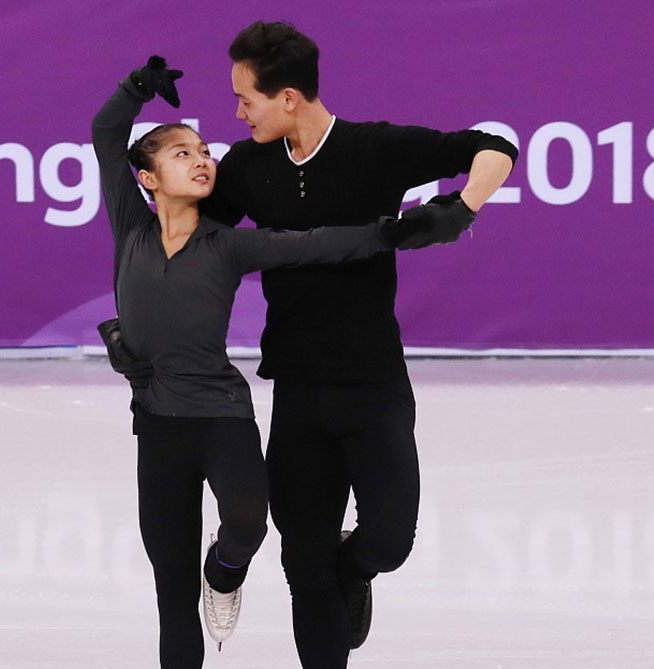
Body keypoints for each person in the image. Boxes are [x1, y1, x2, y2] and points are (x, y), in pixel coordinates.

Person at [197, 21, 519, 668]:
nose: (236, 112)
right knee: (303, 565)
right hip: (298, 393)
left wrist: (461, 210)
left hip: (374, 385)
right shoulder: (245, 168)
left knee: (390, 541)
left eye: (245, 98)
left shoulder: (376, 149)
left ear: (288, 97)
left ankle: (355, 565)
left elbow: (495, 143)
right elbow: (188, 241)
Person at [91, 56, 427, 669]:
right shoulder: (131, 228)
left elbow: (315, 244)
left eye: (204, 151)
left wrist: (395, 231)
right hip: (158, 427)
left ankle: (223, 572)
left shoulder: (228, 244)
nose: (201, 160)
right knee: (171, 596)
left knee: (247, 524)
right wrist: (135, 88)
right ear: (147, 178)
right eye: (181, 154)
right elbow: (107, 133)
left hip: (221, 416)